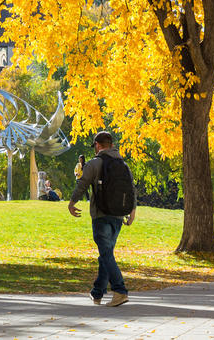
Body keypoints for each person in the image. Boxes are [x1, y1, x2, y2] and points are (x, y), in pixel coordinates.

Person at [68, 131, 136, 308]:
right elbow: (131, 189)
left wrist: (72, 202)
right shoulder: (123, 165)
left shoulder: (95, 163)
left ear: (97, 145)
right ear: (111, 145)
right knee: (106, 255)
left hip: (101, 215)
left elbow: (82, 184)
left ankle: (120, 291)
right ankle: (97, 293)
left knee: (106, 254)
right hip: (118, 215)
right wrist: (132, 211)